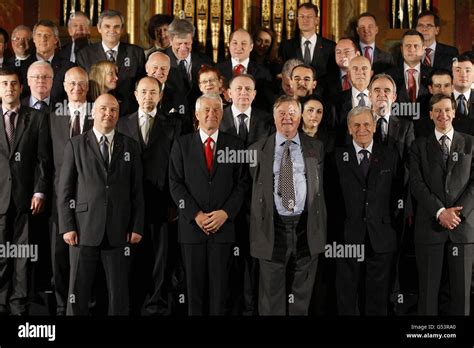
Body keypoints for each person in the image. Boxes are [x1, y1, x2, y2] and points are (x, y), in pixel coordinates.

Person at [58, 93, 144, 315]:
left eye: (114, 110)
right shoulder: (75, 144)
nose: (108, 113)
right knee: (78, 290)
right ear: (93, 112)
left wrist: (136, 226)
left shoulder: (130, 146)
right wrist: (67, 226)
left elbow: (137, 191)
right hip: (82, 228)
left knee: (119, 293)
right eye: (104, 108)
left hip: (119, 229)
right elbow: (65, 191)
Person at [169, 94, 247, 315]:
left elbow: (242, 184)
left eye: (216, 110)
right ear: (197, 114)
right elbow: (175, 184)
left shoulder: (235, 145)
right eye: (207, 110)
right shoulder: (182, 144)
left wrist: (225, 213)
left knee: (221, 292)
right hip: (192, 230)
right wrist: (195, 214)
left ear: (222, 114)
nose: (211, 114)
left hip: (223, 229)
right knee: (193, 292)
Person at [248, 95, 327, 315]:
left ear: (300, 117)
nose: (287, 118)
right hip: (273, 228)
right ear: (273, 118)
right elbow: (251, 192)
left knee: (301, 296)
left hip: (306, 227)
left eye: (292, 113)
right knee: (271, 296)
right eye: (281, 113)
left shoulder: (316, 147)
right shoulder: (256, 150)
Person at [117, 76, 181, 315]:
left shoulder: (173, 125)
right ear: (135, 95)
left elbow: (176, 167)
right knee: (131, 258)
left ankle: (156, 307)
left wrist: (174, 202)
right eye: (143, 92)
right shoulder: (122, 124)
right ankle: (133, 304)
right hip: (129, 207)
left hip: (161, 205)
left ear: (160, 95)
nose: (148, 97)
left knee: (160, 260)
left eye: (153, 92)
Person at [333, 106, 402, 315]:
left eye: (366, 124)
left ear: (374, 127)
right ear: (349, 128)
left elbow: (397, 196)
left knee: (377, 298)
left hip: (380, 238)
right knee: (346, 296)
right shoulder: (336, 156)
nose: (361, 129)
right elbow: (332, 199)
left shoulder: (390, 155)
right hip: (346, 238)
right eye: (356, 125)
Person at [410, 93, 474, 315]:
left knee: (462, 297)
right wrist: (440, 212)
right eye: (437, 110)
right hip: (430, 230)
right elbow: (416, 184)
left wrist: (455, 214)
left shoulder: (470, 143)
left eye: (447, 109)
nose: (443, 114)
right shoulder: (418, 146)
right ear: (430, 114)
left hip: (462, 229)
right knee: (427, 297)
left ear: (454, 112)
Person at [219, 74, 273, 314]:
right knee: (228, 261)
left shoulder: (266, 120)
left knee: (254, 262)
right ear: (228, 93)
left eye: (248, 89)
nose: (243, 93)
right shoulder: (217, 117)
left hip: (257, 204)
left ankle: (252, 308)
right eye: (238, 88)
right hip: (224, 203)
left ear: (254, 94)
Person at [0, 67, 51, 316]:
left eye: (13, 84)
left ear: (22, 88)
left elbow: (43, 159)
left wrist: (39, 192)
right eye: (4, 84)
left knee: (21, 255)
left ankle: (18, 304)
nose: (9, 88)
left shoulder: (37, 118)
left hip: (25, 198)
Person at [48, 66, 93, 315]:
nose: (77, 88)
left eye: (82, 83)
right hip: (59, 197)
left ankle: (87, 305)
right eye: (72, 84)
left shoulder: (100, 112)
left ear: (88, 86)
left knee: (87, 253)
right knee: (59, 256)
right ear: (64, 86)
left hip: (90, 197)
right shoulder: (54, 116)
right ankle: (61, 306)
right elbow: (45, 157)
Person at [76, 9, 146, 116]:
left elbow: (141, 85)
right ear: (99, 28)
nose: (112, 30)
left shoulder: (136, 53)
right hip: (97, 114)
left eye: (116, 27)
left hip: (129, 114)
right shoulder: (85, 54)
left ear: (122, 29)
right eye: (107, 26)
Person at [217, 28, 273, 110]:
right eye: (235, 43)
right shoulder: (217, 70)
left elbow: (266, 104)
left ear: (251, 47)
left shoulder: (263, 73)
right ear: (229, 45)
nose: (239, 47)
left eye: (243, 43)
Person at [279, 2, 336, 82]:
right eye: (302, 16)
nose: (305, 20)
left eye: (309, 16)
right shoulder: (287, 46)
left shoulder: (330, 46)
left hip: (323, 92)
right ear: (297, 20)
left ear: (317, 20)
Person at [388, 30, 431, 105]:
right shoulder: (389, 75)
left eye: (416, 46)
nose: (412, 49)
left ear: (423, 49)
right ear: (402, 49)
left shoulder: (432, 74)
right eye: (408, 45)